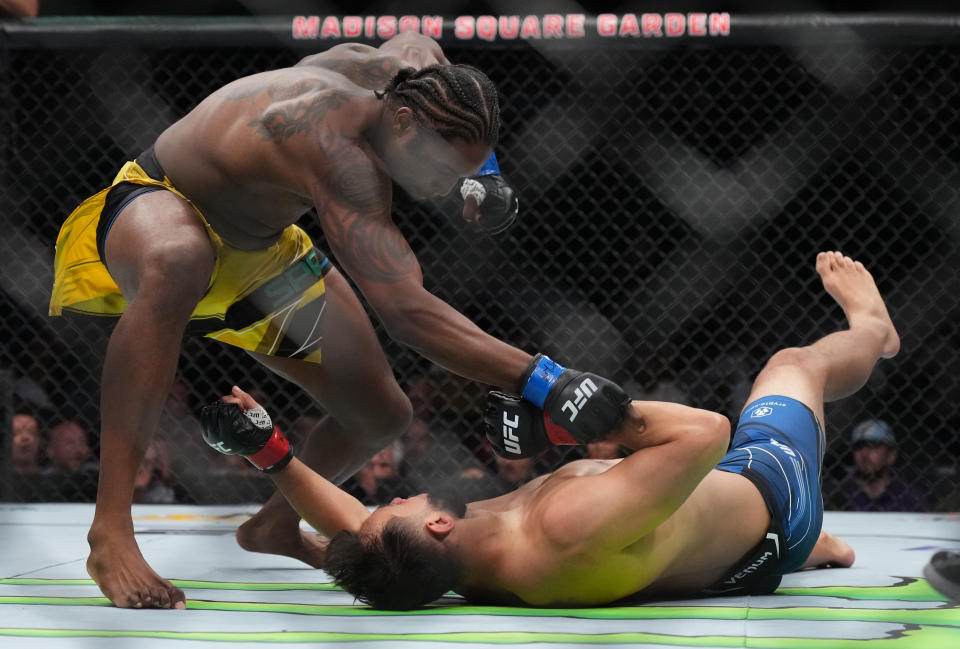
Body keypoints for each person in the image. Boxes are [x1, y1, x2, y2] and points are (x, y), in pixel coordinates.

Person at [48, 30, 626, 608]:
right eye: (445, 168)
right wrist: (549, 380)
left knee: (380, 413)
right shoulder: (343, 158)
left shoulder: (410, 76)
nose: (448, 188)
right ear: (403, 125)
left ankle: (273, 527)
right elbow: (408, 313)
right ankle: (111, 531)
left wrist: (488, 172)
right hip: (162, 208)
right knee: (180, 259)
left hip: (260, 256)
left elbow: (422, 41)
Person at [201, 251, 885, 609]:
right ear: (434, 528)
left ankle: (816, 549)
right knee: (794, 363)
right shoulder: (563, 523)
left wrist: (270, 450)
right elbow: (708, 431)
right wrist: (561, 430)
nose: (397, 496)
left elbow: (355, 527)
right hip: (769, 490)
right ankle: (875, 330)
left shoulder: (446, 568)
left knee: (677, 520)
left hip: (719, 552)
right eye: (397, 507)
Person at [831, 419, 927, 512]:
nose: (864, 454)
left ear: (891, 455)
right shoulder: (839, 495)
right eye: (858, 447)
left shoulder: (908, 498)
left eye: (873, 446)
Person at [41, 420, 100, 502]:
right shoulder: (41, 479)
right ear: (51, 450)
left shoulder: (99, 476)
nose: (78, 449)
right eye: (69, 442)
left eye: (82, 442)